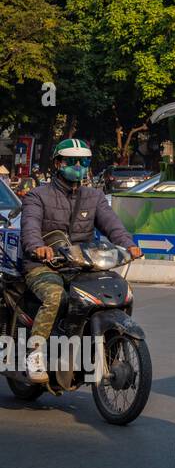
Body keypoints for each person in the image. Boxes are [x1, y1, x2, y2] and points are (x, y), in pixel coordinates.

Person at [18, 138, 143, 383]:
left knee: (120, 290)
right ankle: (35, 354)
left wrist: (128, 244)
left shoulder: (94, 197)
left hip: (80, 265)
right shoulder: (37, 196)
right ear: (57, 163)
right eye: (72, 161)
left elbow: (112, 225)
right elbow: (30, 227)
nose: (79, 166)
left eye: (83, 161)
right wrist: (38, 248)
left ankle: (106, 347)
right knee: (55, 296)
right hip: (43, 265)